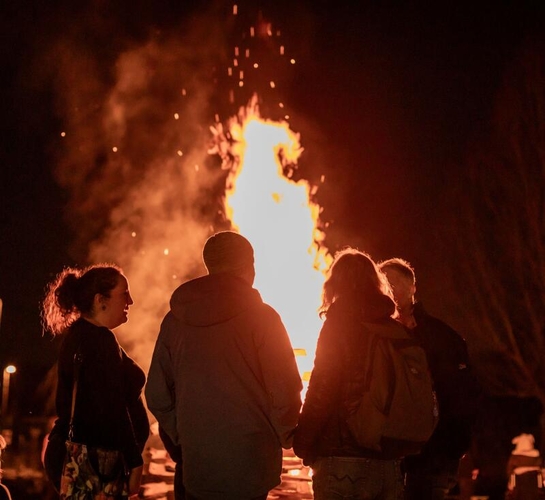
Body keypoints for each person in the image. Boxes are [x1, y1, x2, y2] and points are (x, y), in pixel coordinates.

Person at [145, 230, 302, 500]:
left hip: (197, 468)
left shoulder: (175, 321)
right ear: (248, 267)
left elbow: (157, 395)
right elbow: (285, 389)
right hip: (251, 468)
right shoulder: (264, 319)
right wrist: (288, 436)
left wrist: (184, 436)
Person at [293, 248, 411, 500]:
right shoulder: (394, 331)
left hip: (341, 460)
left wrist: (303, 443)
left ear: (335, 284)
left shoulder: (338, 325)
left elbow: (322, 389)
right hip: (387, 463)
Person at [42, 264, 149, 499]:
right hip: (97, 463)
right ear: (101, 300)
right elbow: (113, 408)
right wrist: (135, 462)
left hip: (83, 457)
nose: (130, 301)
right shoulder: (100, 341)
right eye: (124, 294)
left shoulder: (79, 336)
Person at [378, 257, 479, 500]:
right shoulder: (376, 338)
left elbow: (462, 398)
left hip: (431, 459)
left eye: (395, 283)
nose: (390, 291)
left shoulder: (442, 338)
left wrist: (450, 450)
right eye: (384, 285)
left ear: (413, 287)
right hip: (385, 458)